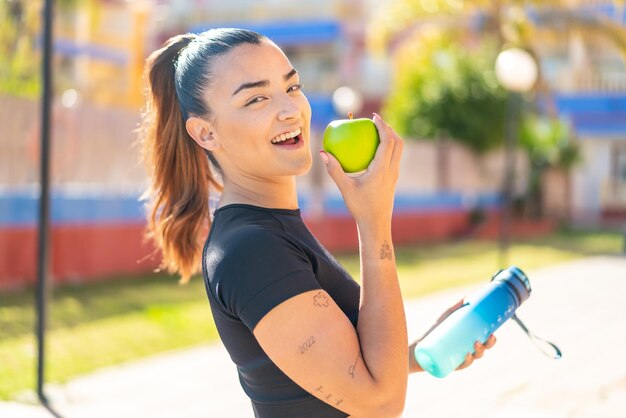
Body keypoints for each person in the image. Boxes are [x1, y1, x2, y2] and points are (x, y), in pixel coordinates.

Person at [139, 28, 496, 418]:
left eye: (292, 88)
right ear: (205, 132)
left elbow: (336, 375)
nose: (290, 109)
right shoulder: (249, 250)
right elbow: (380, 403)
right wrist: (374, 221)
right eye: (256, 98)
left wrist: (418, 353)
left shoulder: (273, 229)